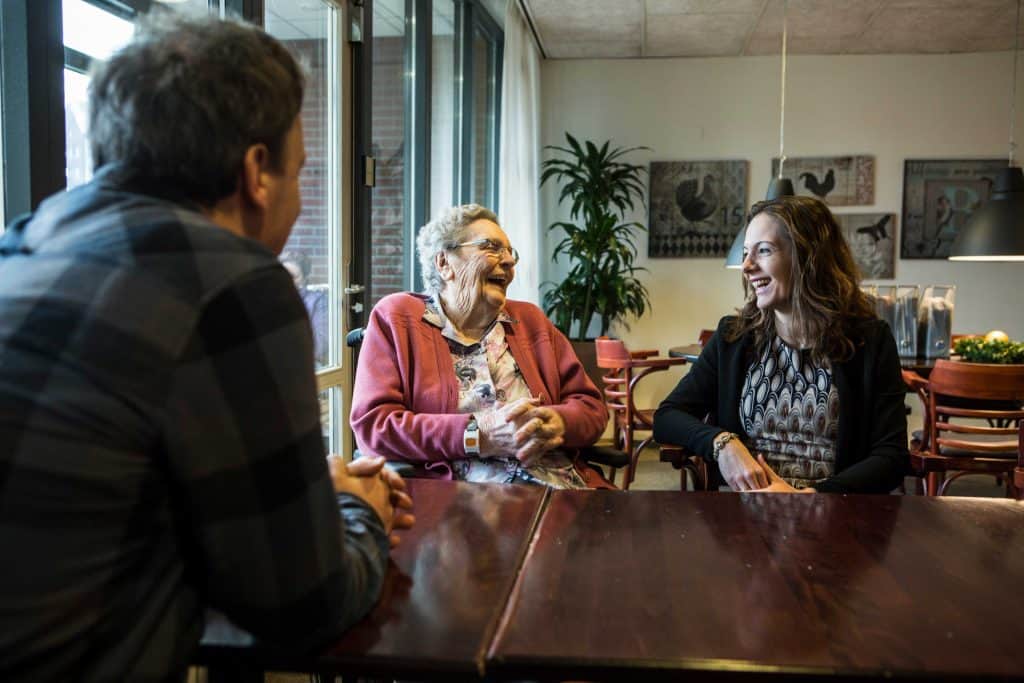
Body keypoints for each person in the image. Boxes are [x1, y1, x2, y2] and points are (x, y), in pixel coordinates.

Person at [0, 15, 412, 682]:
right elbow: (303, 604)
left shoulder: (23, 247)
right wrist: (357, 508)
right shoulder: (232, 282)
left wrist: (309, 492)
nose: (301, 197)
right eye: (301, 172)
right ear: (257, 172)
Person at [653, 196, 908, 494]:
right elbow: (667, 416)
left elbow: (891, 458)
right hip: (744, 511)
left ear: (808, 256)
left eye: (763, 250)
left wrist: (810, 498)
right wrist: (723, 444)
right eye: (746, 253)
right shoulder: (733, 337)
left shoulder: (870, 341)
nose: (746, 266)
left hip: (833, 511)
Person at [350, 204, 609, 489]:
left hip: (560, 486)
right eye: (491, 247)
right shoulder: (398, 319)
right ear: (444, 263)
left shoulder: (530, 321)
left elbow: (592, 408)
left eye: (510, 252)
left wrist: (559, 421)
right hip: (463, 498)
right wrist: (477, 435)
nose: (508, 261)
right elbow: (374, 426)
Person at [281, 249, 329, 365]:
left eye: (293, 276)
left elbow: (319, 345)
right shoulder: (268, 298)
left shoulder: (318, 301)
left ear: (304, 278)